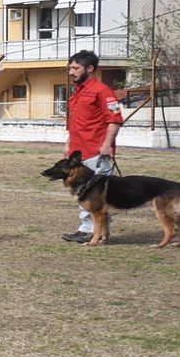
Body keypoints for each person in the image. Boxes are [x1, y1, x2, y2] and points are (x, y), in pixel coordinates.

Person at [61, 50, 123, 243]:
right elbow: (77, 122)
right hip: (78, 153)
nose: (71, 72)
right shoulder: (78, 92)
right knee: (81, 192)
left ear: (90, 68)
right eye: (70, 68)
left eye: (75, 68)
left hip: (96, 152)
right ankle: (90, 230)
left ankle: (93, 231)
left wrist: (107, 145)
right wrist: (69, 143)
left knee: (95, 195)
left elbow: (114, 119)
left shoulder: (103, 91)